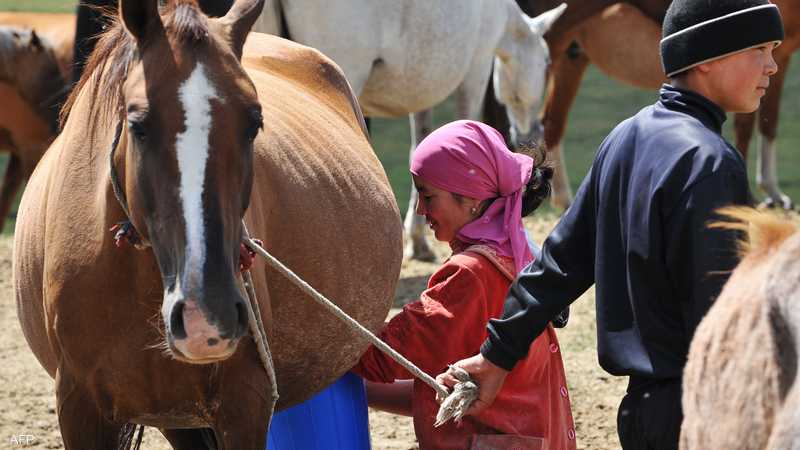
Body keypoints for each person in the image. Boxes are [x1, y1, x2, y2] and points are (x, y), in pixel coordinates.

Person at [436, 1, 784, 449]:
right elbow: (724, 318)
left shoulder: (624, 137)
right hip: (700, 414)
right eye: (760, 48)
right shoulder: (711, 164)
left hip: (638, 417)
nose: (773, 66)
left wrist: (496, 356)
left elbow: (558, 266)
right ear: (708, 57)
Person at [353, 120, 576, 450]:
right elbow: (439, 388)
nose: (419, 210)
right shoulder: (518, 259)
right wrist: (356, 391)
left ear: (471, 198)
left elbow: (376, 357)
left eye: (428, 196)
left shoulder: (468, 276)